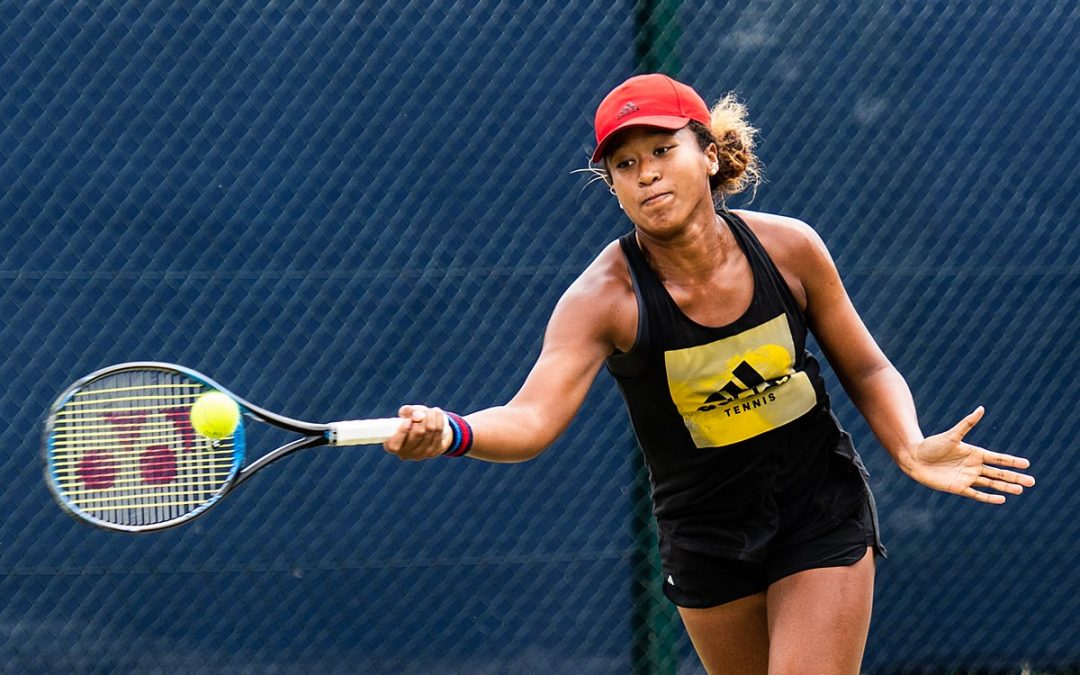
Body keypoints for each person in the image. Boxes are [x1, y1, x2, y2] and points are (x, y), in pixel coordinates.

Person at [381, 74, 1035, 674]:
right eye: (626, 164)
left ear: (710, 154)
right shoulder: (603, 299)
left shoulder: (790, 249)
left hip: (818, 510)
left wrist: (909, 444)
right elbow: (530, 417)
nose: (647, 175)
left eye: (663, 150)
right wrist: (452, 432)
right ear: (611, 183)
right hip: (706, 539)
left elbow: (865, 366)